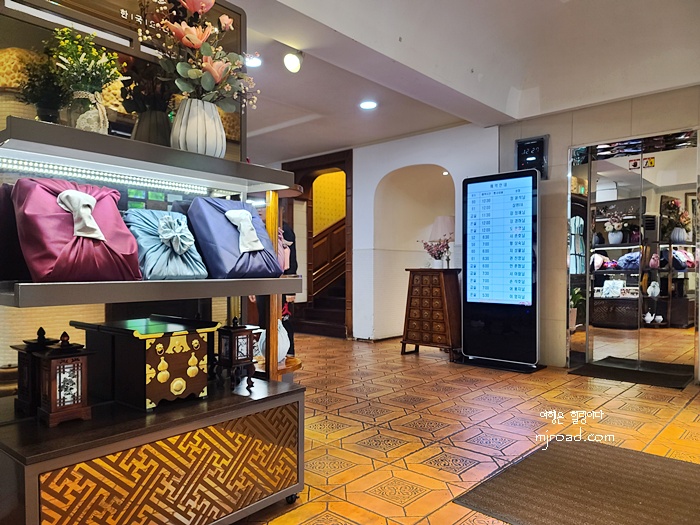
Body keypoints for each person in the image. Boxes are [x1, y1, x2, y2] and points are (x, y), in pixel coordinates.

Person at [249, 205, 298, 355]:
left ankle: (287, 353)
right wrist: (252, 287)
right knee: (264, 320)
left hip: (280, 283)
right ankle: (267, 353)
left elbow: (291, 260)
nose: (259, 210)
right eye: (257, 207)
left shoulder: (285, 229)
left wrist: (290, 290)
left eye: (263, 206)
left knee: (283, 320)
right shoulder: (259, 229)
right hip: (263, 282)